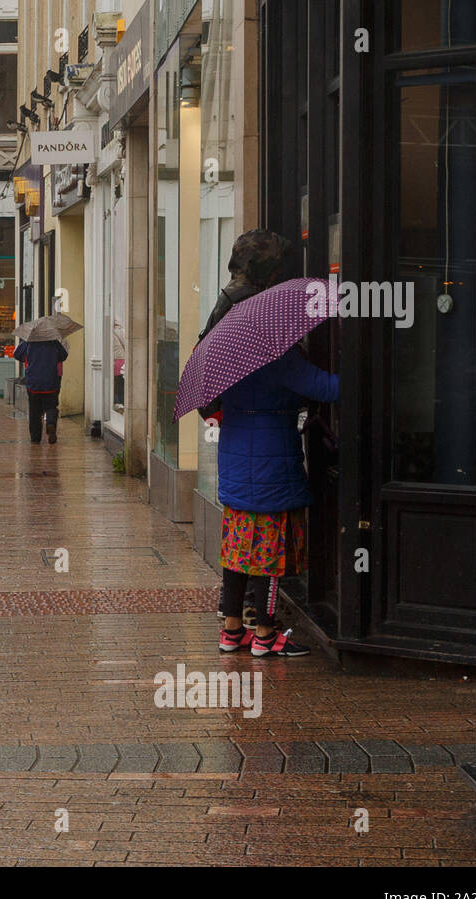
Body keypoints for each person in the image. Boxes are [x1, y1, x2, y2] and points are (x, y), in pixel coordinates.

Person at [215, 342, 338, 658]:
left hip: (235, 465)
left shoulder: (227, 354)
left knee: (237, 553)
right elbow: (327, 388)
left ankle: (232, 630)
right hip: (270, 468)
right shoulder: (277, 355)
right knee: (270, 554)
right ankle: (266, 635)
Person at [200, 229, 294, 628]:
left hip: (238, 436)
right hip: (262, 434)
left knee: (239, 534)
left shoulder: (228, 296)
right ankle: (260, 620)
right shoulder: (253, 302)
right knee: (262, 534)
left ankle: (232, 615)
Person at [13, 337, 67, 444]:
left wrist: (28, 358)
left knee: (34, 411)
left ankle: (35, 437)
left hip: (34, 382)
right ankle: (50, 423)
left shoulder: (28, 342)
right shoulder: (54, 342)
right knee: (51, 406)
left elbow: (17, 354)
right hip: (51, 381)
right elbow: (63, 356)